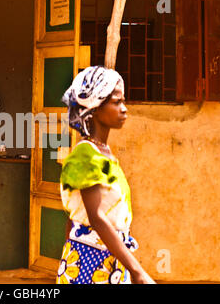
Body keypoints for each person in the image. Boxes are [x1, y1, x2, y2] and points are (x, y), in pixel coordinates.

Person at [57, 66, 155, 284]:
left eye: (123, 101)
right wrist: (138, 271)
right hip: (90, 262)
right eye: (116, 102)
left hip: (108, 260)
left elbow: (73, 220)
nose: (124, 109)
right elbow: (97, 218)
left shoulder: (104, 153)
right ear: (94, 108)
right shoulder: (85, 155)